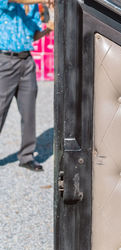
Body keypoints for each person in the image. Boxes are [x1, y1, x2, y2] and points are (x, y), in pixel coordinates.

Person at [0, 0, 54, 171]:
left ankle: (26, 157)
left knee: (29, 111)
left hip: (27, 61)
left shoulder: (32, 7)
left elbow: (34, 35)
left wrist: (49, 29)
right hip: (5, 61)